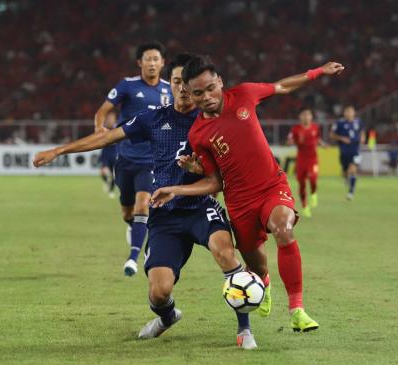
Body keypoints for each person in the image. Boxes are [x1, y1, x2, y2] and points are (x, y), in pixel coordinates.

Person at [33, 53, 257, 349]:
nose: (182, 89)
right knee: (159, 292)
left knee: (226, 254)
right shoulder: (154, 118)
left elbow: (228, 169)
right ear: (171, 84)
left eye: (187, 84)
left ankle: (244, 330)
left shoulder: (210, 122)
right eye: (176, 82)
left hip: (200, 208)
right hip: (164, 215)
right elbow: (107, 138)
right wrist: (58, 151)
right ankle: (167, 317)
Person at [151, 55, 345, 332]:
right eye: (197, 93)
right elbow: (215, 182)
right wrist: (176, 187)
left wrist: (318, 72)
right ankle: (263, 283)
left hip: (271, 187)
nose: (206, 97)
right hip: (240, 204)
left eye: (210, 88)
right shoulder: (198, 134)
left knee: (283, 228)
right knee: (258, 267)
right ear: (190, 96)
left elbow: (281, 87)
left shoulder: (244, 94)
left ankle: (297, 310)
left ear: (220, 81)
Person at [93, 41, 173, 276]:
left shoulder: (170, 90)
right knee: (128, 212)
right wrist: (100, 132)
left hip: (152, 161)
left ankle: (133, 258)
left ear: (162, 63)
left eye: (156, 59)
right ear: (140, 62)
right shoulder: (127, 86)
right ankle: (133, 226)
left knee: (142, 205)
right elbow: (102, 111)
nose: (151, 63)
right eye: (147, 59)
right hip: (126, 159)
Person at [287, 108, 325, 217]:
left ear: (311, 117)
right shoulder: (295, 129)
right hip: (301, 160)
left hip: (313, 159)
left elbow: (317, 138)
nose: (306, 117)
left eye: (308, 115)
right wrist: (290, 142)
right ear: (300, 117)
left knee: (313, 179)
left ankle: (313, 194)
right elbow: (290, 140)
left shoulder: (315, 128)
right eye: (303, 115)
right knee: (302, 184)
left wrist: (322, 144)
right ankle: (304, 206)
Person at [330, 105, 365, 200]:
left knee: (353, 169)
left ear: (354, 113)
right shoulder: (339, 123)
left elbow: (362, 132)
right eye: (347, 111)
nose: (349, 114)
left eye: (351, 111)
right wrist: (341, 138)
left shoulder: (359, 122)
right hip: (344, 151)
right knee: (345, 171)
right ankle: (346, 178)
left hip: (355, 150)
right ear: (344, 113)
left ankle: (351, 192)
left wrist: (362, 138)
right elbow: (332, 135)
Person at [98, 111, 119, 199]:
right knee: (103, 172)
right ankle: (107, 182)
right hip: (105, 153)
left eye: (111, 118)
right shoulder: (103, 128)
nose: (109, 120)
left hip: (115, 153)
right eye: (108, 118)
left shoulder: (118, 127)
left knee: (114, 175)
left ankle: (110, 191)